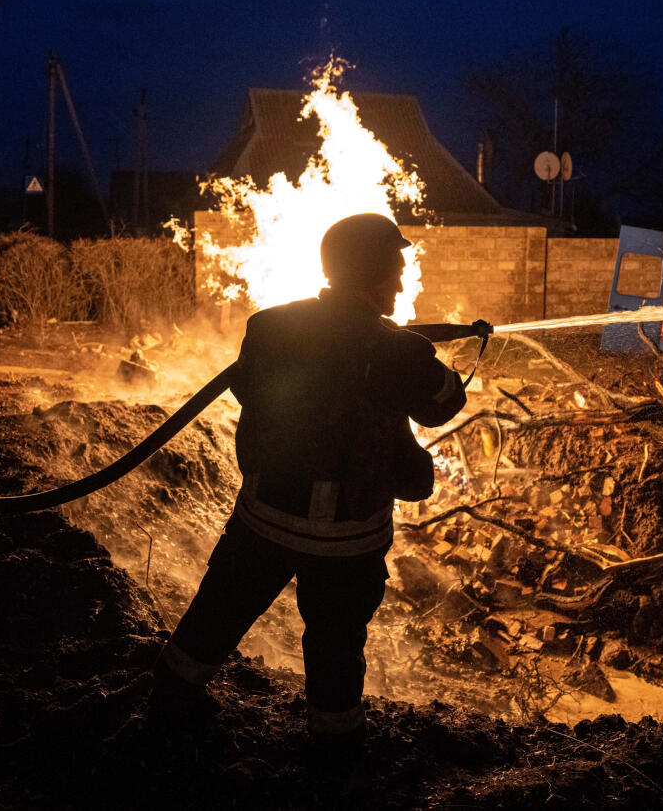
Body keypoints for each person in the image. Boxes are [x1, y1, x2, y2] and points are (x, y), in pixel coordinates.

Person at [153, 213, 468, 766]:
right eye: (393, 271)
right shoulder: (397, 352)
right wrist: (416, 354)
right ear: (368, 273)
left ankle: (163, 714)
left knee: (216, 616)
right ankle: (334, 759)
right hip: (347, 539)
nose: (400, 283)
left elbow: (250, 387)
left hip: (262, 518)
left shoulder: (271, 326)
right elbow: (445, 403)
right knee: (335, 648)